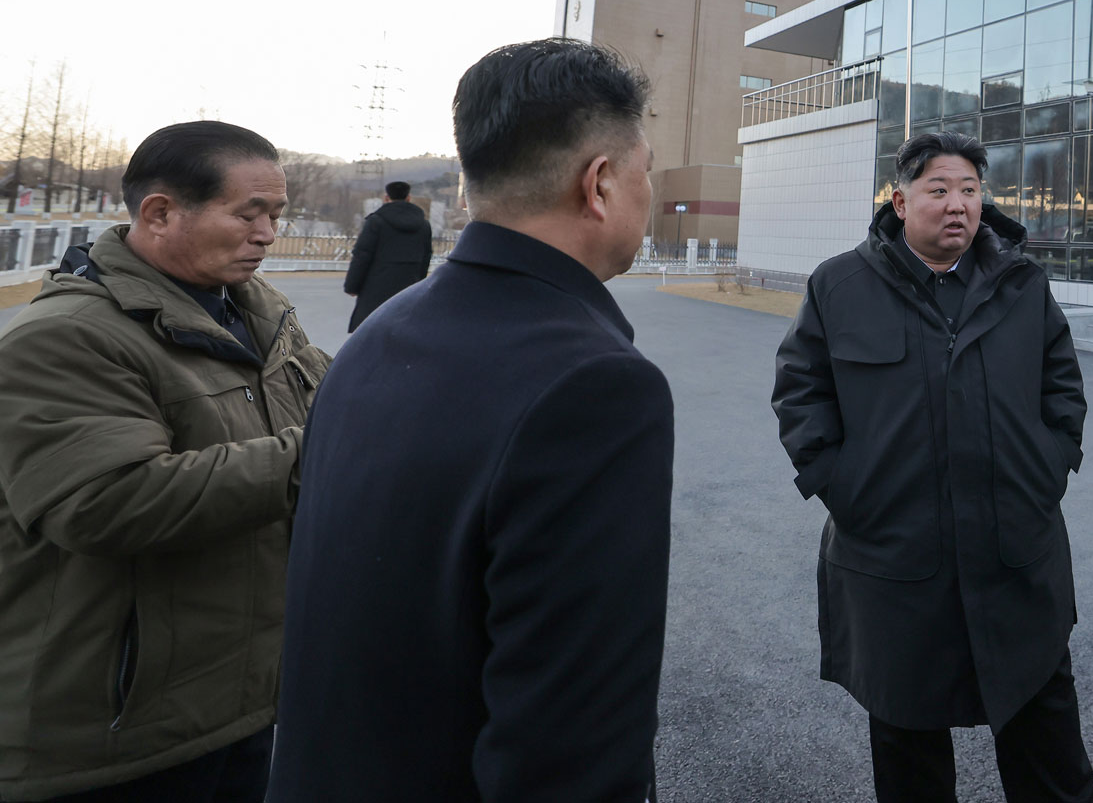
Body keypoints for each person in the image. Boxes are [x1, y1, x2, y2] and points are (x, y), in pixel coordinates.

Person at [267, 39, 675, 803]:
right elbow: (570, 746)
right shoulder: (596, 385)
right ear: (601, 184)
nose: (646, 191)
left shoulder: (378, 334)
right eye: (645, 169)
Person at [0, 121, 331, 802]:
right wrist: (324, 460)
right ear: (159, 211)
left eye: (277, 213)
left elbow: (340, 403)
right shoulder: (66, 339)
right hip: (112, 735)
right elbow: (107, 501)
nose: (268, 233)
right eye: (250, 213)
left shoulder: (260, 317)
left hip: (238, 703)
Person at [773, 130, 1093, 803]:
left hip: (1015, 555)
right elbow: (800, 392)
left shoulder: (1021, 283)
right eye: (940, 189)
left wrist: (1046, 471)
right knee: (908, 758)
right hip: (894, 565)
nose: (959, 205)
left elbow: (1062, 389)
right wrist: (847, 488)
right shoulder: (839, 284)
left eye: (971, 190)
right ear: (899, 200)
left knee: (1049, 751)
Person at [342, 179, 433, 330]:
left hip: (375, 290)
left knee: (371, 334)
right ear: (409, 198)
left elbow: (362, 255)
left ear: (386, 198)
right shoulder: (423, 225)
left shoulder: (376, 221)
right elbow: (426, 257)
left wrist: (352, 286)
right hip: (408, 290)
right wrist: (417, 283)